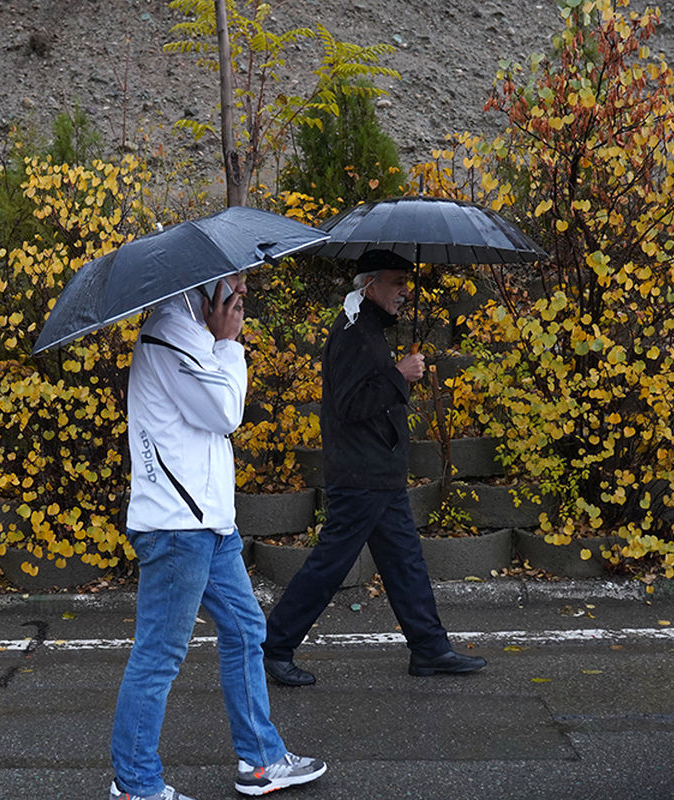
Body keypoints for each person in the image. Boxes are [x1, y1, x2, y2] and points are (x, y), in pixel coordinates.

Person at [109, 273, 327, 800]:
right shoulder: (169, 336)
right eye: (234, 287)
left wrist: (219, 343)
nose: (242, 297)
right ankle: (135, 784)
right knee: (159, 654)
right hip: (178, 527)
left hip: (208, 522)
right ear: (203, 287)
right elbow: (226, 413)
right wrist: (228, 345)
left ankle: (261, 761)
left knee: (246, 630)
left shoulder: (191, 331)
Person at [262, 249, 487, 686]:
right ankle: (274, 648)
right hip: (361, 474)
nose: (405, 291)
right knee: (330, 565)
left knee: (404, 562)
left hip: (377, 472)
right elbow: (348, 405)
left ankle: (428, 648)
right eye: (397, 282)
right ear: (370, 286)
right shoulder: (353, 333)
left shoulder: (366, 328)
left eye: (407, 281)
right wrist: (399, 375)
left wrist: (394, 374)